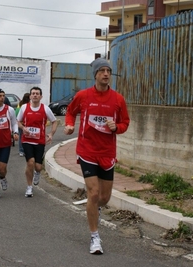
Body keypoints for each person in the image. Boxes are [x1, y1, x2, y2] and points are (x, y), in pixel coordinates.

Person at [64, 58, 130, 255]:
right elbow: (70, 112)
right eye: (101, 70)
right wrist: (69, 125)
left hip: (107, 152)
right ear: (95, 74)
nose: (106, 74)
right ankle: (95, 237)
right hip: (87, 151)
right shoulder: (83, 96)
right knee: (93, 194)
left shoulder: (118, 99)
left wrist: (116, 127)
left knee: (104, 197)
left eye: (108, 70)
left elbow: (125, 122)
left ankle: (96, 208)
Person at [17, 87, 58, 197]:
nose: (35, 95)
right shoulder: (24, 107)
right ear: (30, 96)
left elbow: (54, 121)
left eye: (37, 94)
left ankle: (37, 172)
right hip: (27, 140)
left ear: (41, 96)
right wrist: (22, 128)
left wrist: (51, 134)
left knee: (38, 167)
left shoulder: (45, 109)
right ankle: (29, 187)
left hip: (39, 141)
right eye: (33, 93)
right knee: (30, 162)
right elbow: (18, 121)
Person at [15, 93, 30, 157]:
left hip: (19, 123)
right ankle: (24, 150)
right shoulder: (26, 105)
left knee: (21, 137)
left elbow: (16, 113)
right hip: (24, 123)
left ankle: (21, 151)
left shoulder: (20, 103)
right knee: (26, 137)